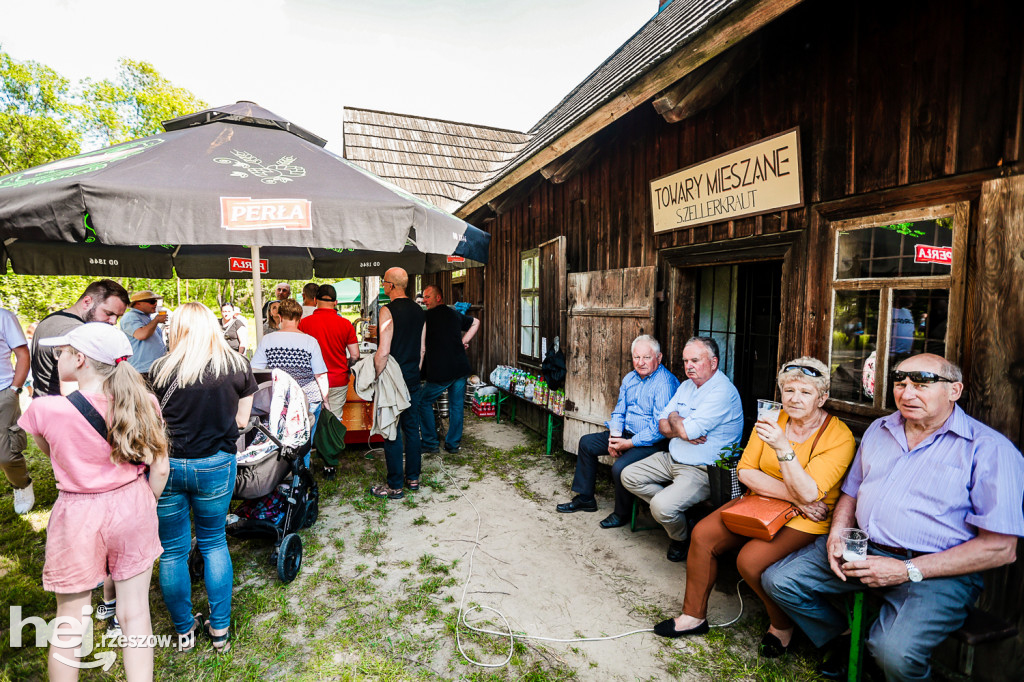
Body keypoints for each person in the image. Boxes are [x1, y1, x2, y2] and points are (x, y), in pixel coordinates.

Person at [763, 354, 1024, 681]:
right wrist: (837, 533)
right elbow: (851, 492)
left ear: (954, 390)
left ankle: (879, 656)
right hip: (865, 550)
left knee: (894, 654)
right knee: (780, 581)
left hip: (935, 570)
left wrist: (906, 570)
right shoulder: (880, 428)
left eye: (921, 384)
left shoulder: (990, 450)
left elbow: (1001, 548)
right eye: (900, 383)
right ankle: (846, 642)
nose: (907, 393)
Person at [653, 357, 856, 659]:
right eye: (788, 391)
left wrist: (784, 449)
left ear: (822, 397)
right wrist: (798, 498)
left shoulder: (838, 436)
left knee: (749, 561)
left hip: (807, 520)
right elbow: (746, 471)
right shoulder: (772, 418)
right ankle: (693, 617)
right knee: (704, 534)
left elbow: (812, 491)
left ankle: (781, 626)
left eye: (805, 392)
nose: (794, 398)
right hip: (767, 503)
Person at [19, 322, 170, 679]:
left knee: (70, 620)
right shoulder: (143, 402)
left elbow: (51, 451)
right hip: (132, 503)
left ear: (80, 359)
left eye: (64, 351)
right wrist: (146, 499)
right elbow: (159, 467)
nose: (59, 357)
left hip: (77, 512)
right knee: (136, 614)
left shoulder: (47, 410)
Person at [150, 302, 258, 654]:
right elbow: (242, 422)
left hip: (167, 466)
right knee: (213, 543)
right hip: (215, 463)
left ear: (177, 329)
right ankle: (220, 629)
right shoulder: (237, 367)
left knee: (172, 551)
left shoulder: (157, 370)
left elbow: (153, 424)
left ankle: (184, 630)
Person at [621, 337, 743, 561]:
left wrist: (676, 421)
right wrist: (680, 422)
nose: (689, 366)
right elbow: (663, 424)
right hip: (673, 457)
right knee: (628, 475)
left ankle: (681, 538)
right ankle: (679, 514)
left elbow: (683, 431)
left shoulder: (722, 391)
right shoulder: (686, 386)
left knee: (661, 506)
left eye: (695, 360)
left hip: (702, 469)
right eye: (686, 360)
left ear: (713, 363)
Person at [555, 334, 680, 528]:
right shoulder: (630, 378)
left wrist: (628, 443)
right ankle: (586, 498)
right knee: (587, 443)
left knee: (620, 468)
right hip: (625, 434)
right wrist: (615, 438)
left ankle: (621, 514)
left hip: (653, 442)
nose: (641, 362)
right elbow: (619, 411)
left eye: (647, 357)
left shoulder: (664, 383)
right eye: (637, 357)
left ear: (659, 357)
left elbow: (659, 429)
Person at [370, 267, 425, 499]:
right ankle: (413, 479)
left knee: (391, 430)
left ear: (391, 285)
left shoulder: (387, 310)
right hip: (413, 377)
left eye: (384, 283)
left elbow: (383, 351)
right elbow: (422, 349)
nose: (383, 286)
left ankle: (394, 486)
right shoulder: (420, 310)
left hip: (392, 378)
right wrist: (413, 371)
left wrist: (375, 375)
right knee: (412, 430)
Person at [30, 279, 130, 398]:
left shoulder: (51, 321)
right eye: (108, 313)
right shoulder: (76, 333)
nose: (113, 321)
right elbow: (71, 389)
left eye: (118, 317)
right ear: (87, 302)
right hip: (66, 410)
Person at [418, 285, 480, 454]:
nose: (424, 300)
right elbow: (476, 322)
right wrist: (463, 340)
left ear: (438, 298)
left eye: (427, 297)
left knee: (422, 401)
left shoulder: (426, 317)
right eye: (424, 297)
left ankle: (430, 442)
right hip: (460, 369)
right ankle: (452, 445)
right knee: (456, 406)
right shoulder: (454, 314)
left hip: (441, 371)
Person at [251, 299, 328, 412]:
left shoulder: (268, 339)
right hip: (308, 398)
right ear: (300, 318)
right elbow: (320, 375)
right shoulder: (310, 341)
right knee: (308, 429)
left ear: (280, 317)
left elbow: (255, 370)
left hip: (279, 399)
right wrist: (326, 401)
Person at [298, 284, 359, 422]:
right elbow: (355, 355)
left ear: (315, 300)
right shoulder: (346, 324)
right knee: (334, 422)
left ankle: (314, 444)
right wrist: (347, 371)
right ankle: (333, 444)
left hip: (311, 381)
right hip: (338, 380)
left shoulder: (303, 324)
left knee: (311, 421)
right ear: (336, 302)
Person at [1, 306, 32, 513]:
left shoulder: (3, 316)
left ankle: (22, 485)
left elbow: (22, 353)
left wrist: (14, 388)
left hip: (3, 392)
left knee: (6, 454)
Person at [119, 290, 167, 382]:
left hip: (152, 368)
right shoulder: (130, 316)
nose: (155, 304)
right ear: (138, 304)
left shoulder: (148, 317)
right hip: (142, 370)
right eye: (152, 302)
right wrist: (156, 320)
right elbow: (141, 335)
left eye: (156, 301)